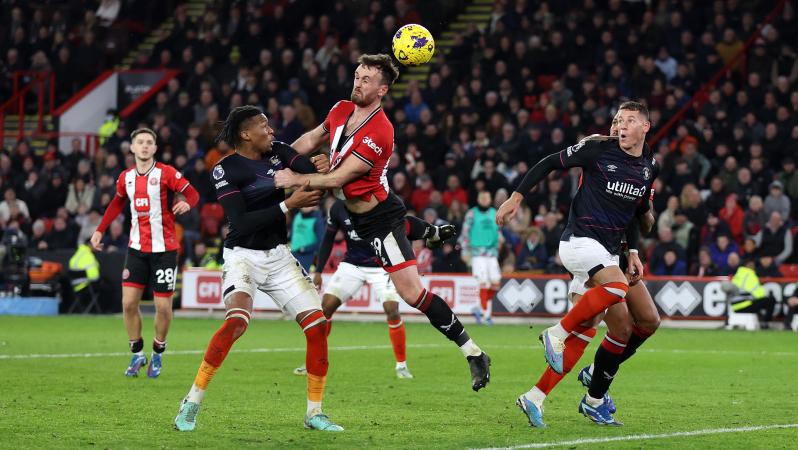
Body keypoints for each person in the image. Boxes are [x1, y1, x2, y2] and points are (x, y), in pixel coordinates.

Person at [275, 54, 491, 392]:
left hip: (380, 220)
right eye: (357, 76)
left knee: (412, 294)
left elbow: (339, 179)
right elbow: (311, 138)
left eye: (366, 80)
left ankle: (474, 352)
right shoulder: (341, 109)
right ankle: (430, 232)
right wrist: (279, 158)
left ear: (382, 90)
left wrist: (295, 177)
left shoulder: (381, 130)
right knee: (397, 246)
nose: (358, 83)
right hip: (363, 216)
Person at [174, 106, 343, 432]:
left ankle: (314, 413)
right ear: (245, 134)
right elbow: (240, 222)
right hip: (242, 256)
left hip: (279, 257)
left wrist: (323, 164)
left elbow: (314, 178)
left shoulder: (279, 152)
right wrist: (287, 204)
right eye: (264, 127)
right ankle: (192, 401)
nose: (271, 131)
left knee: (318, 327)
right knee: (237, 322)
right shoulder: (225, 169)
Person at [498, 102, 655, 426]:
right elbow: (548, 162)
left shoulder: (648, 165)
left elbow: (635, 212)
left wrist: (635, 251)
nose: (620, 126)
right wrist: (516, 197)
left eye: (628, 120)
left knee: (622, 327)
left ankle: (539, 397)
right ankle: (556, 334)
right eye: (617, 120)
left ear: (645, 127)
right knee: (616, 293)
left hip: (611, 253)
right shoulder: (597, 149)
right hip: (583, 243)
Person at [91, 128, 199, 378]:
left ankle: (158, 352)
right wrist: (100, 230)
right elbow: (117, 202)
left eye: (149, 142)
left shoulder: (166, 173)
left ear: (155, 148)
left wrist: (186, 203)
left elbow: (193, 194)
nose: (144, 145)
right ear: (132, 148)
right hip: (136, 249)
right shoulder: (125, 177)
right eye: (140, 142)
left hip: (165, 250)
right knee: (128, 304)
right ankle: (137, 353)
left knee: (163, 307)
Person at [293, 199, 444, 379]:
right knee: (324, 309)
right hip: (352, 265)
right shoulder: (338, 207)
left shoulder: (377, 200)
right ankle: (314, 360)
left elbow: (399, 229)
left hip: (381, 264)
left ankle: (401, 366)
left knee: (392, 310)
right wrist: (318, 271)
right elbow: (328, 238)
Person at [460, 190, 501, 324]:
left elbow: (498, 230)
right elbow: (465, 233)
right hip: (477, 253)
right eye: (482, 198)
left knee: (495, 283)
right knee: (483, 282)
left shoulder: (495, 213)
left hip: (492, 253)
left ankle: (478, 308)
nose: (484, 200)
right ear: (478, 199)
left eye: (486, 197)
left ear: (490, 199)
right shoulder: (472, 214)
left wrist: (500, 240)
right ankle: (486, 315)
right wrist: (465, 252)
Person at [722, 257, 777, 329]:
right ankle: (765, 323)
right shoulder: (751, 274)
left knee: (756, 303)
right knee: (771, 300)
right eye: (752, 265)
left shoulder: (738, 273)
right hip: (745, 305)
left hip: (735, 307)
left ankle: (760, 321)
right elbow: (759, 294)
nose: (753, 267)